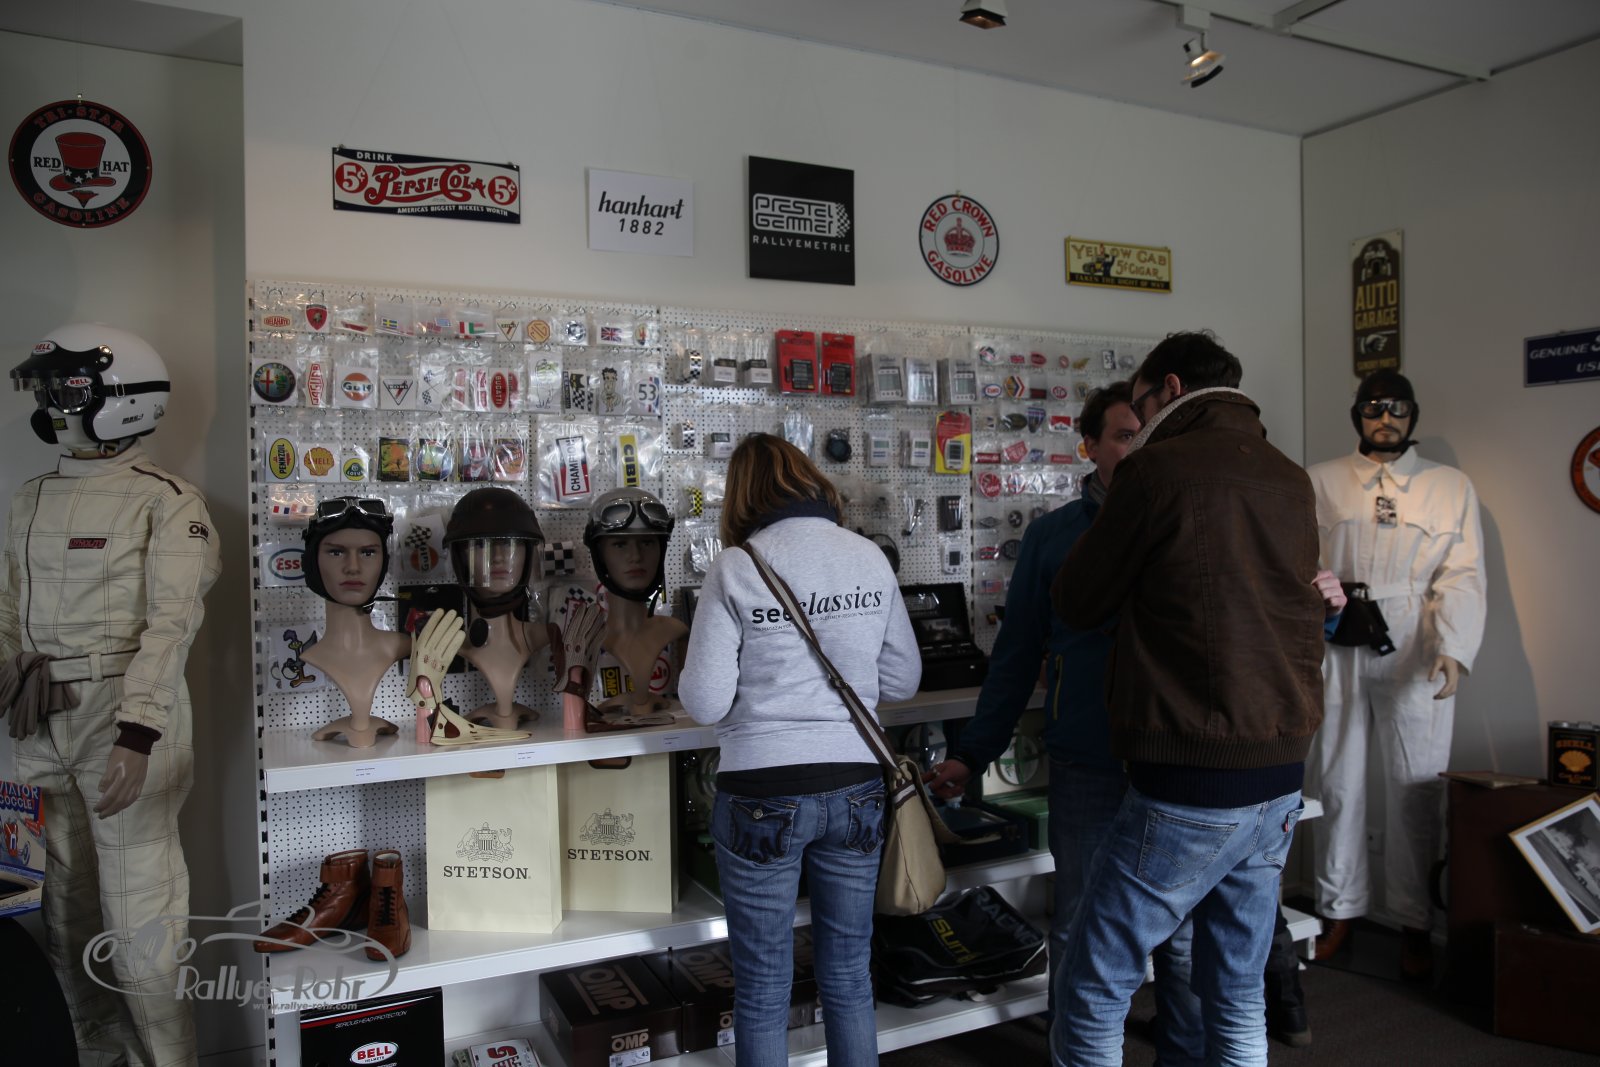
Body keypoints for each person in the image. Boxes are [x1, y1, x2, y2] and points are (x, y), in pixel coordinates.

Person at [1049, 331, 1338, 1067]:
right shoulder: (1289, 476)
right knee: (1235, 991)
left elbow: (1078, 599)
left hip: (1191, 770)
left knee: (1094, 984)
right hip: (1279, 773)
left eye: (1141, 405)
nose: (1139, 421)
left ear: (1170, 389)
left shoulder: (1156, 469)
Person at [925, 383, 1213, 1062]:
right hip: (1089, 761)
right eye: (1122, 435)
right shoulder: (1054, 537)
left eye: (1146, 434)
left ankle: (1184, 1051)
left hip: (1175, 761)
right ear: (1088, 446)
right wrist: (973, 751)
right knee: (1081, 922)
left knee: (1181, 931)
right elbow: (1016, 655)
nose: (1136, 448)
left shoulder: (1191, 522)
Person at [2, 324, 221, 1066]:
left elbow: (171, 626)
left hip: (123, 719)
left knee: (139, 923)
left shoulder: (166, 502)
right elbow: (7, 607)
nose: (53, 406)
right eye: (48, 390)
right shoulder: (30, 498)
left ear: (124, 399)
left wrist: (137, 732)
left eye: (69, 390)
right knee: (64, 916)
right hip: (41, 715)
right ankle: (99, 1056)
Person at [679, 433, 920, 1067]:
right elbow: (902, 681)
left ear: (741, 496)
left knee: (764, 986)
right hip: (857, 787)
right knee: (849, 973)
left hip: (761, 792)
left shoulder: (737, 566)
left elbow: (704, 702)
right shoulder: (868, 557)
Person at [1306, 369, 1485, 981]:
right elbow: (1298, 560)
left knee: (1416, 785)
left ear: (1413, 415)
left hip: (1414, 640)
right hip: (1338, 636)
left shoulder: (1449, 486)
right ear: (1357, 414)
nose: (1386, 419)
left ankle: (1414, 921)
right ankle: (1338, 909)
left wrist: (1454, 647)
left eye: (1398, 408)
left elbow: (1462, 574)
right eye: (1374, 408)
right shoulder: (1320, 481)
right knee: (1336, 779)